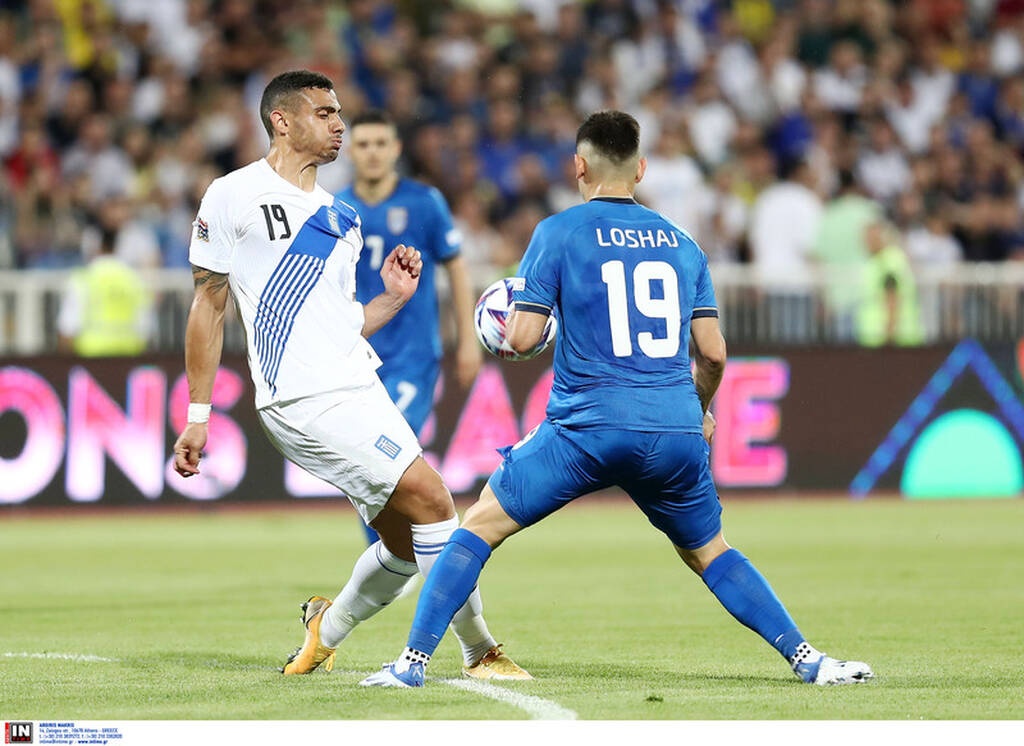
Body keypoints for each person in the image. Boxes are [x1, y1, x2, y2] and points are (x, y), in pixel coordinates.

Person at [361, 110, 874, 688]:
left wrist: (515, 322)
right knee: (711, 552)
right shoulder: (684, 245)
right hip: (674, 428)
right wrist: (699, 410)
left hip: (588, 428)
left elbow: (525, 337)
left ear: (578, 166)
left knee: (477, 526)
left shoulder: (558, 232)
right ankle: (809, 659)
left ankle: (411, 665)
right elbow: (714, 354)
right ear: (642, 168)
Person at [171, 70, 529, 681]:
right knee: (437, 501)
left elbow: (341, 324)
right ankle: (480, 652)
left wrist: (390, 299)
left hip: (357, 384)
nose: (338, 124)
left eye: (339, 112)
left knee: (404, 542)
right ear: (282, 121)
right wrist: (197, 416)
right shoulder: (232, 195)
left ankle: (323, 630)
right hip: (303, 398)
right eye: (324, 113)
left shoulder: (340, 217)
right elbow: (209, 306)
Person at [339, 109, 482, 545]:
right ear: (351, 151)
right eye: (363, 144)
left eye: (381, 144)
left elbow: (455, 268)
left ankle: (398, 558)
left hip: (414, 357)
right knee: (367, 465)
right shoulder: (335, 208)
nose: (373, 153)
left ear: (396, 149)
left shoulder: (425, 202)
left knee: (388, 456)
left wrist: (469, 340)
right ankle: (392, 557)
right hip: (355, 359)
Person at [56, 225, 153, 356]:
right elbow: (145, 328)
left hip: (90, 359)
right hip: (128, 359)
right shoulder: (134, 279)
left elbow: (67, 327)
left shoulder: (83, 278)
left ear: (96, 246)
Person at [856, 219, 925, 347]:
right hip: (883, 340)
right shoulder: (881, 261)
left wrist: (889, 335)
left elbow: (892, 299)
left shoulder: (887, 262)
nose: (866, 242)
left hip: (893, 340)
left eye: (871, 238)